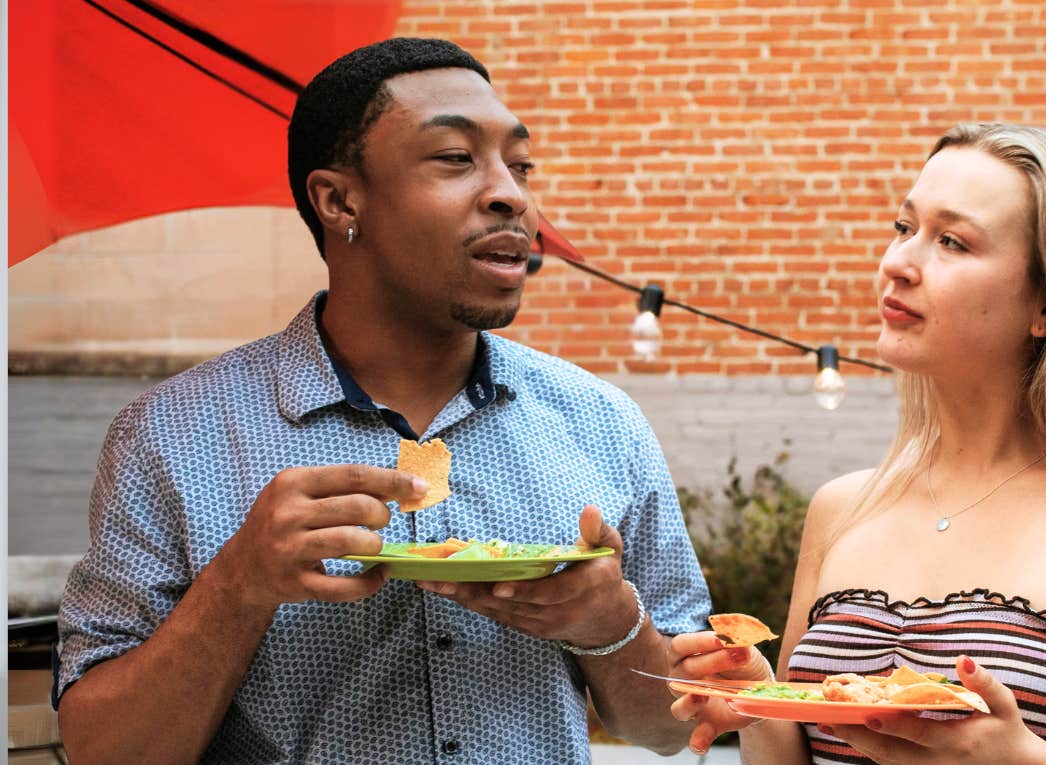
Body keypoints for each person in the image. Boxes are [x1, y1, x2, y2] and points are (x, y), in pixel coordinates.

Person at [55, 38, 710, 764]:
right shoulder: (170, 434)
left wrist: (609, 623)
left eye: (520, 165)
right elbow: (99, 749)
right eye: (456, 158)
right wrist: (238, 585)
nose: (512, 195)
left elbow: (675, 724)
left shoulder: (599, 421)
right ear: (340, 200)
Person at [668, 123, 1046, 764]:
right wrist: (761, 702)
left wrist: (1022, 759)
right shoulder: (844, 508)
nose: (897, 263)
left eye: (952, 242)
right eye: (906, 229)